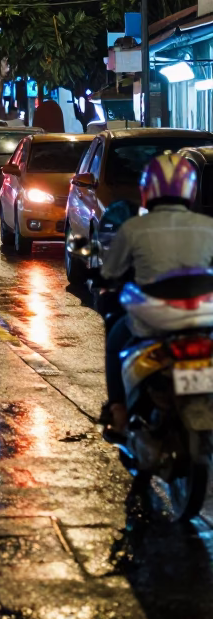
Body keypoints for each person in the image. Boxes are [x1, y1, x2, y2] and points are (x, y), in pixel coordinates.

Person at [101, 151, 213, 435]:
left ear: (147, 188)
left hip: (155, 317)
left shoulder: (134, 228)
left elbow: (110, 274)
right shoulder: (208, 227)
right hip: (203, 316)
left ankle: (118, 410)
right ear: (190, 188)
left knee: (116, 334)